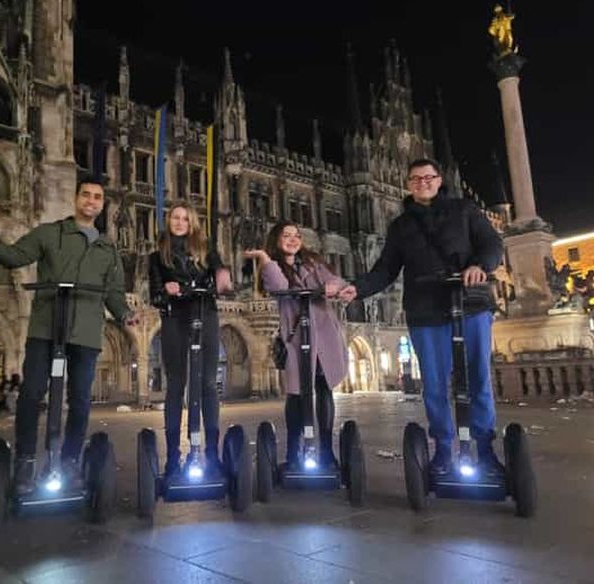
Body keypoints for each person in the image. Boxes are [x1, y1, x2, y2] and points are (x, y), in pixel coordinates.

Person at [339, 158, 504, 477]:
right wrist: (355, 290)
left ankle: (484, 449)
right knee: (434, 385)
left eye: (429, 177)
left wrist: (479, 266)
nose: (423, 182)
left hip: (470, 305)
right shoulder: (401, 226)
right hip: (425, 312)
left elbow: (492, 243)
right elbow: (385, 270)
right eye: (416, 179)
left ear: (440, 180)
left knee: (479, 381)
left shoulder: (465, 210)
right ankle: (443, 449)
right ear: (408, 184)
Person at [0, 174, 137, 494]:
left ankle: (70, 462)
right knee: (32, 393)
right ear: (76, 199)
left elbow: (115, 293)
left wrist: (126, 315)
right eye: (86, 195)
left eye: (97, 197)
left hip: (86, 333)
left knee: (79, 402)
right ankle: (25, 462)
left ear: (102, 205)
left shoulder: (108, 248)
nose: (91, 201)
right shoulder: (51, 234)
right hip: (47, 328)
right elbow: (17, 256)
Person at [245, 222, 349, 467]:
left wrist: (338, 286)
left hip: (323, 335)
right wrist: (264, 258)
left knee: (324, 389)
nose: (292, 240)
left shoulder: (313, 263)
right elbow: (280, 287)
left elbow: (334, 280)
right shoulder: (274, 267)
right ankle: (294, 450)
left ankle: (325, 449)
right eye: (286, 236)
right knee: (296, 393)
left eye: (296, 236)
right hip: (295, 337)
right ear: (276, 240)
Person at [148, 202, 233, 477]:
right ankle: (173, 458)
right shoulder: (157, 256)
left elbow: (221, 276)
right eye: (175, 217)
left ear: (192, 222)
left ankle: (211, 455)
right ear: (168, 220)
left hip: (204, 313)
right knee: (176, 384)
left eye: (185, 218)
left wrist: (222, 276)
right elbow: (154, 295)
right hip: (174, 317)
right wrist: (165, 289)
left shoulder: (206, 251)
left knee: (208, 383)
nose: (180, 222)